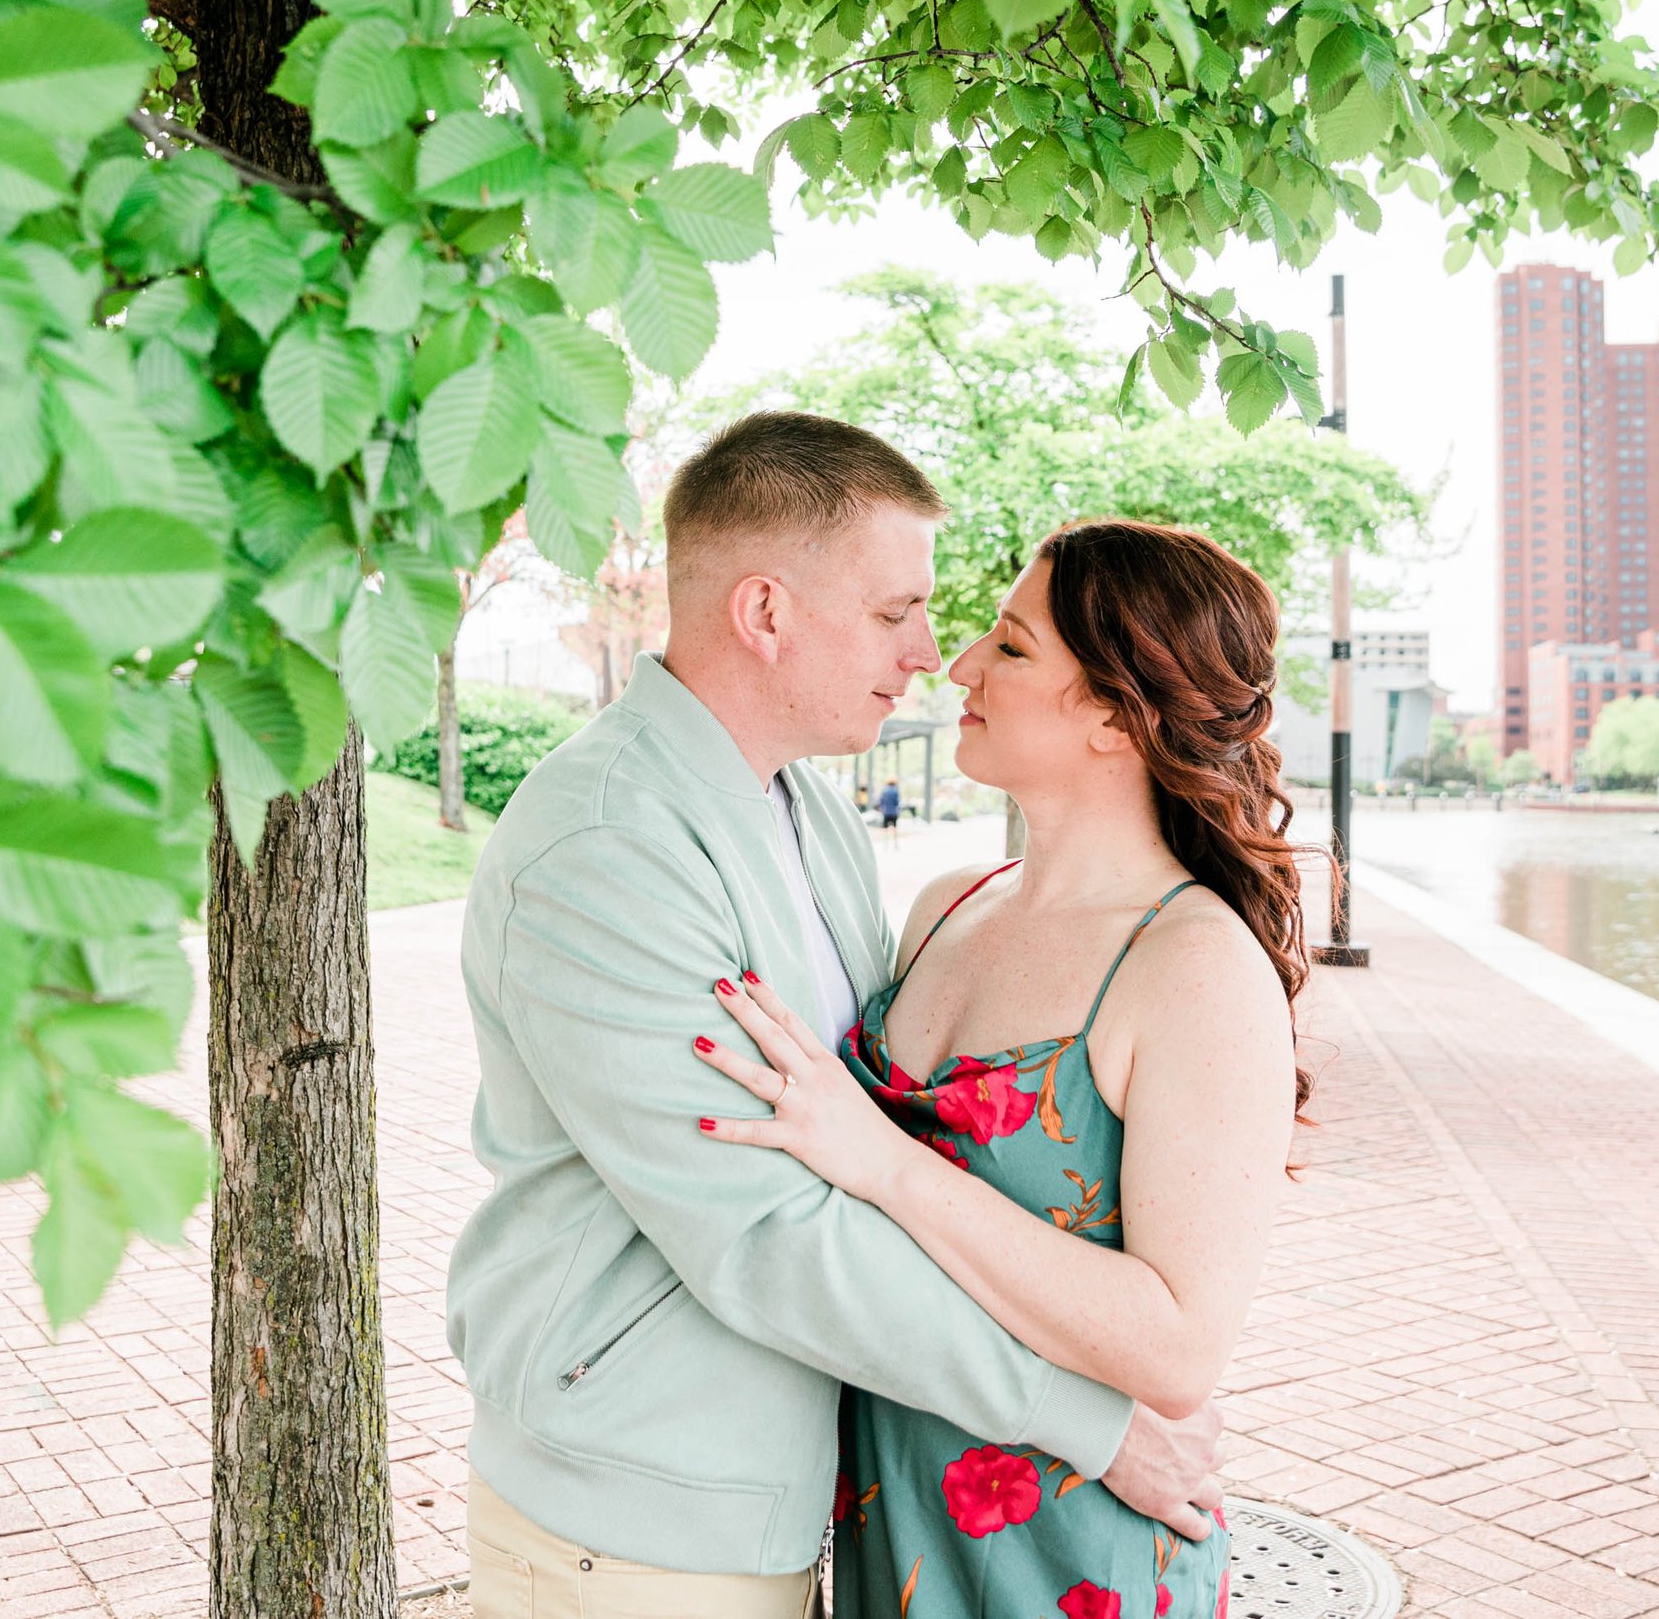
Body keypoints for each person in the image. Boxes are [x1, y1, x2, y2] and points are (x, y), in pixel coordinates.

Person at [446, 416, 1224, 1619]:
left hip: (810, 1494)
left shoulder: (810, 815)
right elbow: (765, 1229)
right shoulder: (611, 848)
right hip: (635, 1524)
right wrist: (1086, 1423)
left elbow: (870, 1150)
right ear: (765, 613)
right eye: (890, 612)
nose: (931, 651)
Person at [696, 520, 1306, 1619]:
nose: (960, 664)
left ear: (1117, 714)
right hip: (890, 1516)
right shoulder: (948, 907)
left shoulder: (1192, 967)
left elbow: (1178, 1348)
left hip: (1072, 1551)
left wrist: (884, 1165)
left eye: (1012, 648)